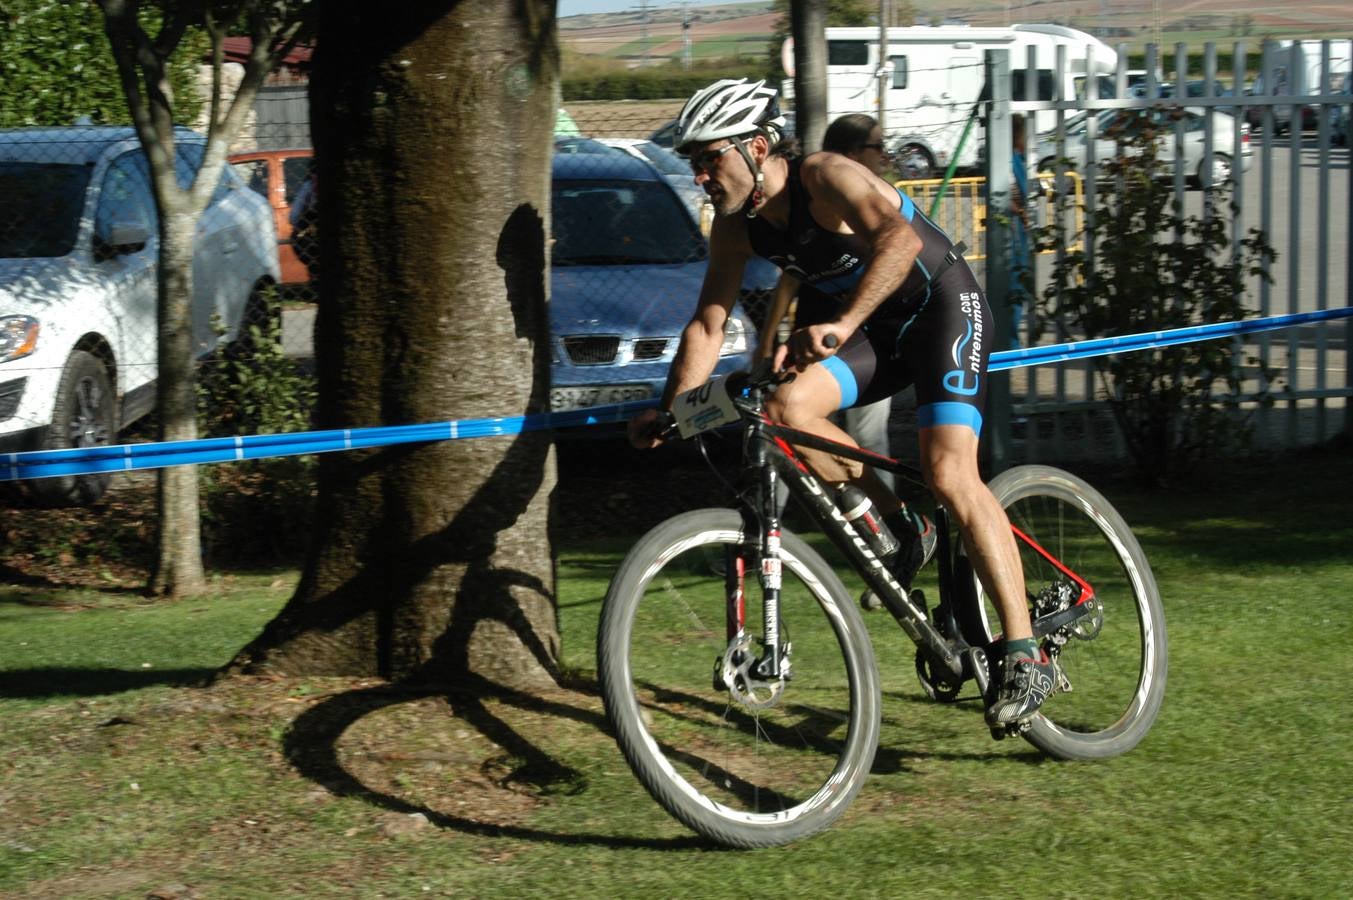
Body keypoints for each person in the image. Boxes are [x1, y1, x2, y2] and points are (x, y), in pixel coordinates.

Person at [627, 78, 1053, 730]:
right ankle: (904, 524)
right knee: (788, 410)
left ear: (757, 147)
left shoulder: (823, 174)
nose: (700, 175)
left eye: (709, 158)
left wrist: (841, 322)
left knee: (948, 472)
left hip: (942, 310)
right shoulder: (738, 229)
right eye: (692, 163)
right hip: (878, 332)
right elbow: (707, 324)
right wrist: (675, 410)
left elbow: (900, 241)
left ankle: (1024, 653)